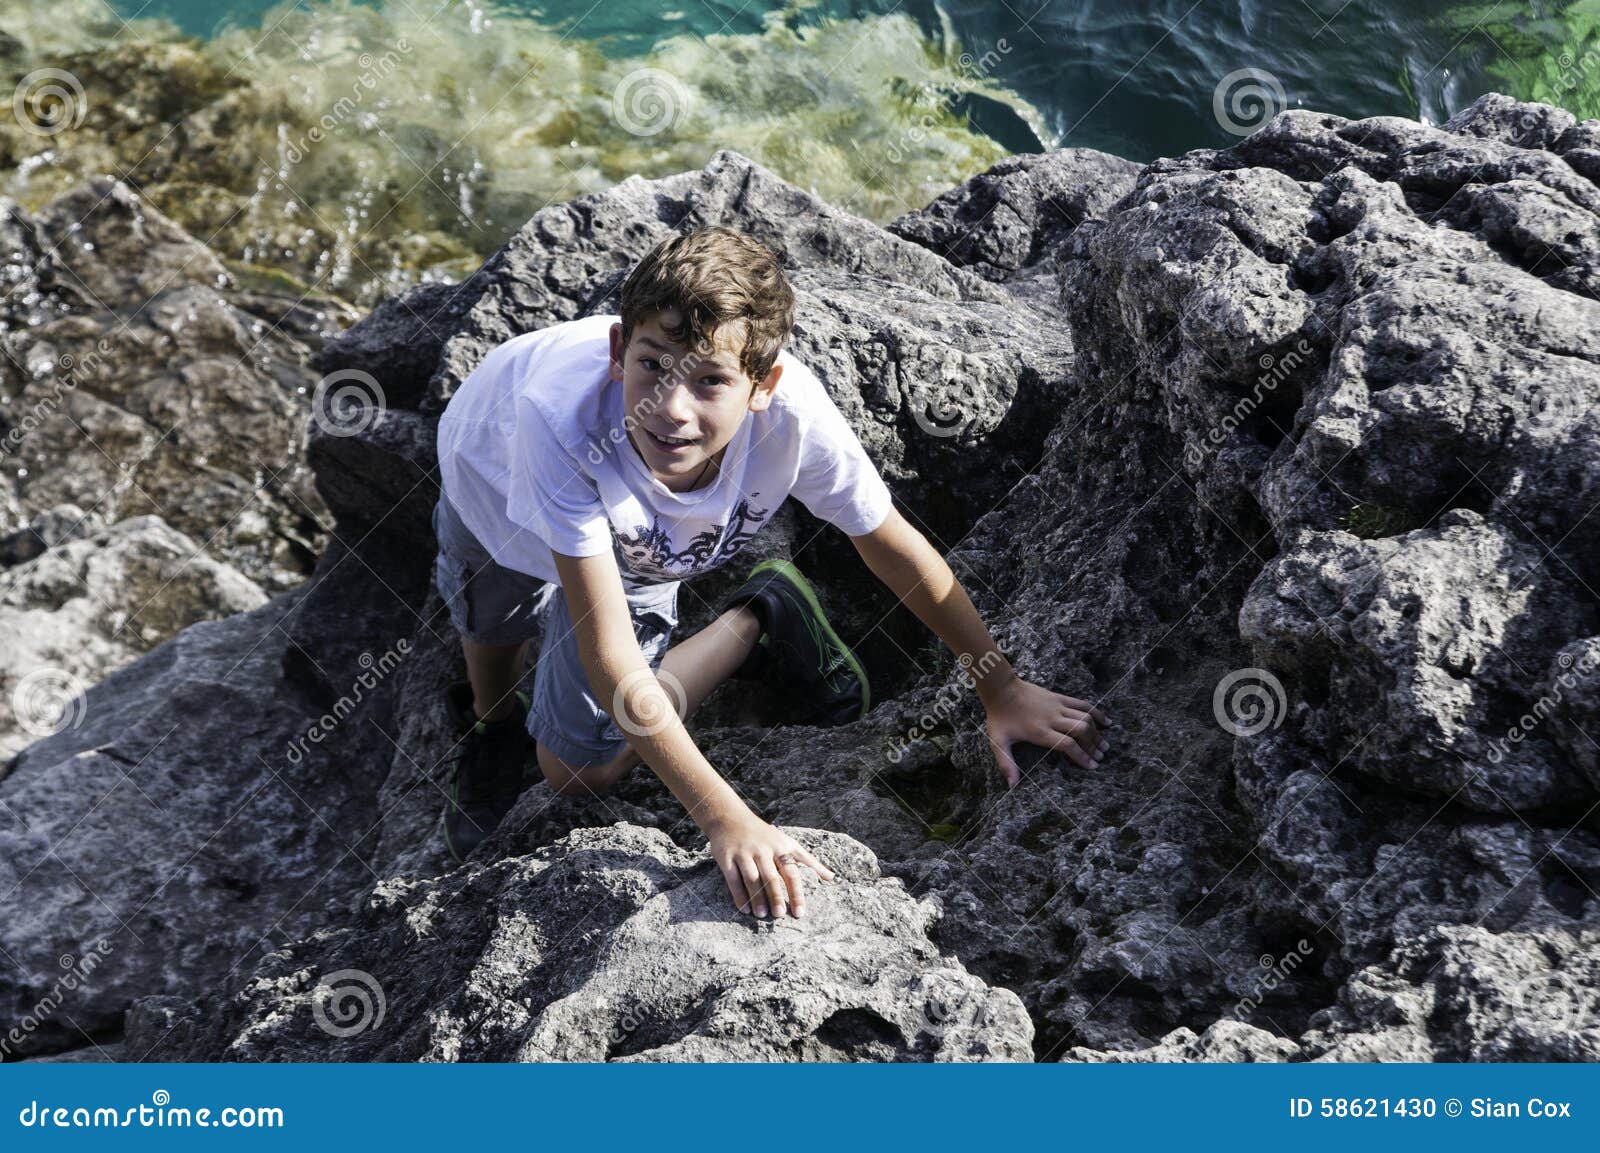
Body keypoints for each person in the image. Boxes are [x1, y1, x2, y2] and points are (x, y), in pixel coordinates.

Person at [431, 224, 1112, 918]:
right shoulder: (558, 418)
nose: (670, 406)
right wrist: (725, 818)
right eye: (653, 364)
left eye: (710, 380)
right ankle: (491, 724)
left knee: (577, 769)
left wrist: (1001, 685)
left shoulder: (796, 420)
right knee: (491, 618)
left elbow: (891, 545)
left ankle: (754, 616)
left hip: (631, 549)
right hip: (488, 487)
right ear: (617, 351)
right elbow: (609, 655)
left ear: (763, 384)